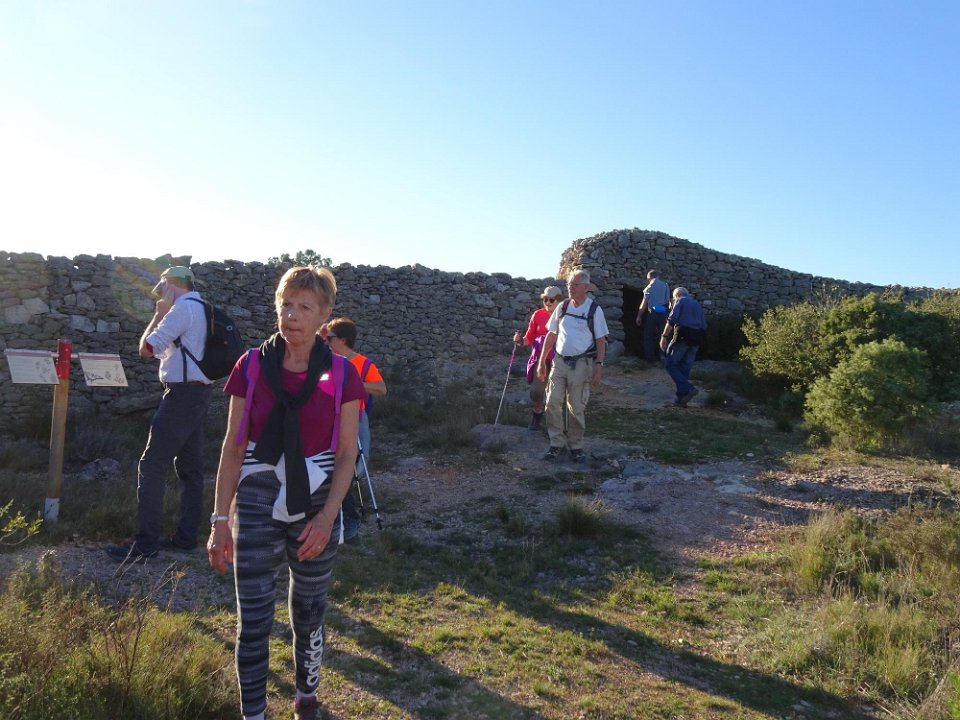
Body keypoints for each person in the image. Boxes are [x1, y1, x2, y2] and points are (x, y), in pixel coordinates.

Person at [207, 266, 364, 720]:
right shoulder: (251, 365)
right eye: (286, 305)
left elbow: (347, 454)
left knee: (309, 613)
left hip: (317, 501)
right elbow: (233, 446)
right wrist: (220, 521)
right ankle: (253, 714)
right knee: (253, 619)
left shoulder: (343, 374)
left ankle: (306, 697)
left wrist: (327, 518)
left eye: (304, 307)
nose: (291, 315)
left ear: (324, 315)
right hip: (257, 498)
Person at [105, 265, 213, 562]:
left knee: (151, 465)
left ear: (171, 284)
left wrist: (158, 315)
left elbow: (146, 349)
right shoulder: (204, 309)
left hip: (181, 396)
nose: (160, 293)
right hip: (200, 393)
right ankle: (186, 538)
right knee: (191, 470)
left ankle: (145, 543)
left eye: (162, 286)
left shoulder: (181, 309)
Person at [323, 317, 387, 540]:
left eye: (330, 338)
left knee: (351, 466)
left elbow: (381, 389)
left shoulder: (363, 364)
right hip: (328, 418)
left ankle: (348, 515)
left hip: (355, 419)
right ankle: (339, 514)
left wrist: (354, 384)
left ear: (342, 340)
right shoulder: (326, 361)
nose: (326, 342)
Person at [536, 269, 609, 463]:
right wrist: (542, 361)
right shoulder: (563, 307)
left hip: (582, 364)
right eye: (569, 284)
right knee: (552, 401)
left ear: (586, 287)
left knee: (576, 406)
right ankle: (556, 443)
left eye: (575, 285)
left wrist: (599, 365)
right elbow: (551, 334)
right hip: (559, 361)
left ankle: (576, 445)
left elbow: (601, 340)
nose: (570, 288)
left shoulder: (594, 310)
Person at [513, 285, 563, 430]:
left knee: (557, 394)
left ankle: (556, 424)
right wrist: (520, 340)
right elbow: (529, 337)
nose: (547, 302)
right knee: (536, 392)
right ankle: (537, 414)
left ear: (559, 300)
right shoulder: (537, 315)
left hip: (560, 360)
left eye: (551, 300)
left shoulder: (565, 316)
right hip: (540, 359)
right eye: (545, 299)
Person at [660, 286, 707, 407]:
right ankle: (681, 399)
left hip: (683, 336)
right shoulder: (697, 304)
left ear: (676, 295)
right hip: (697, 338)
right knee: (684, 369)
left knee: (670, 364)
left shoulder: (679, 301)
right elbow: (704, 325)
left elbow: (672, 320)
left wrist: (664, 336)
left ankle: (688, 388)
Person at [635, 270, 671, 365]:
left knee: (648, 336)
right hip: (663, 311)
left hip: (653, 313)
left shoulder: (648, 288)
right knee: (664, 335)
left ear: (649, 278)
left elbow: (643, 305)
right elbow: (668, 302)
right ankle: (663, 357)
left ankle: (650, 360)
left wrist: (639, 316)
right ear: (658, 276)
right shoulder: (665, 285)